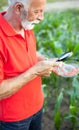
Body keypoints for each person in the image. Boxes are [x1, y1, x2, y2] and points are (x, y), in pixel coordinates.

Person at [0, 0, 61, 130]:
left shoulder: (26, 23)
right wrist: (35, 71)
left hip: (37, 106)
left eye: (42, 11)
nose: (41, 17)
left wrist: (46, 60)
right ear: (18, 8)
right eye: (36, 11)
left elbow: (29, 51)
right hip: (14, 120)